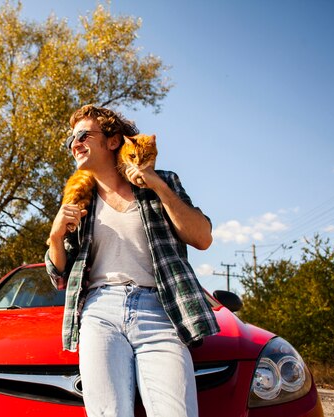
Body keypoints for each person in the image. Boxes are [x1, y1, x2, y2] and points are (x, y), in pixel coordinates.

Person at [45, 104, 220, 417]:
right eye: (72, 139)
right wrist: (56, 237)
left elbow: (202, 238)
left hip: (160, 309)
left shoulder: (162, 182)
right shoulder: (79, 199)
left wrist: (155, 183)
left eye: (84, 135)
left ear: (113, 141)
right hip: (100, 312)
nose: (75, 143)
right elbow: (59, 276)